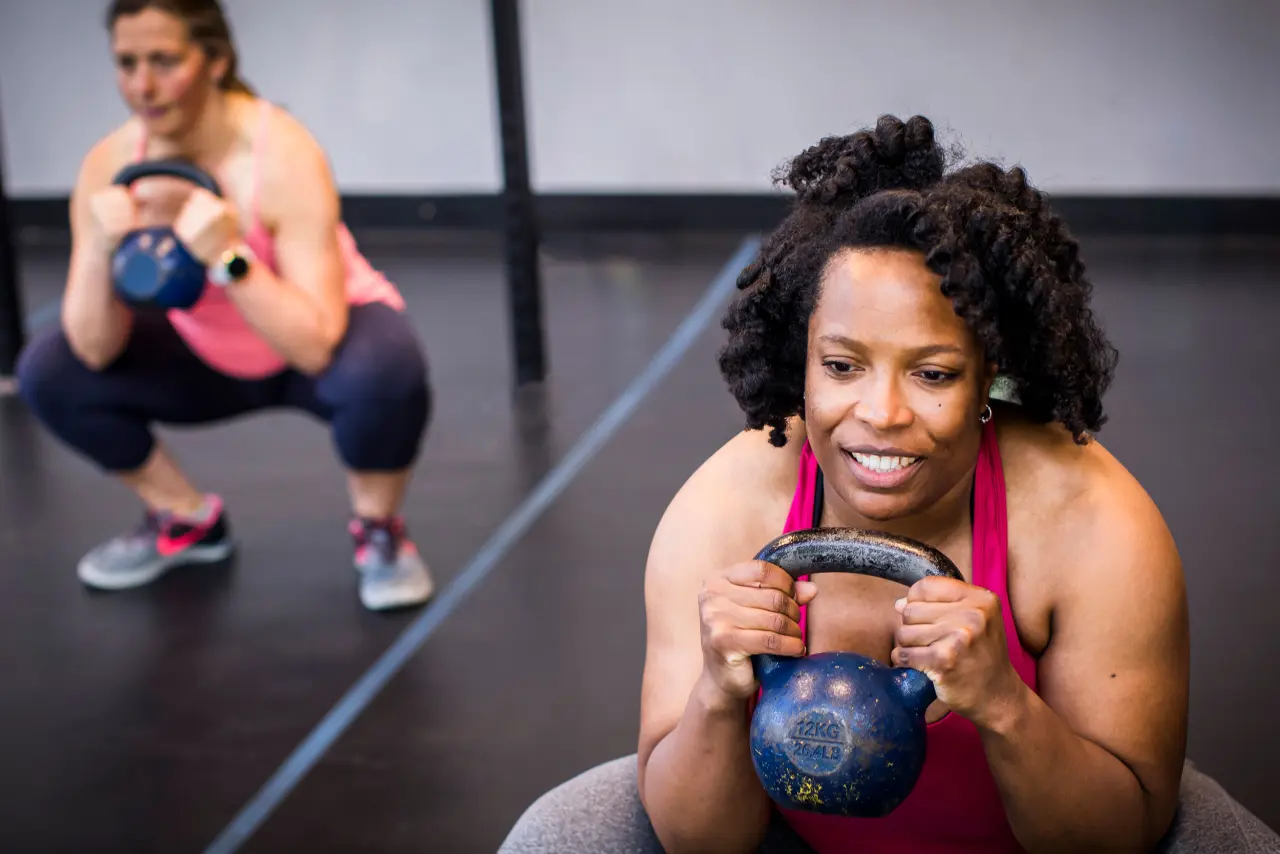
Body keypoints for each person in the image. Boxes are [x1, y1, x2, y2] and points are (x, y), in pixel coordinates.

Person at [499, 115, 1280, 853]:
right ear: (798, 363)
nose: (882, 414)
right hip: (791, 840)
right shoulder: (726, 507)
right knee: (560, 831)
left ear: (989, 380)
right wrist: (716, 691)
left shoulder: (1091, 520)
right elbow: (699, 844)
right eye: (841, 366)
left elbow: (1121, 836)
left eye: (933, 373)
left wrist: (1003, 703)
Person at [16, 0, 434, 612]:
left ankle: (379, 532)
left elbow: (316, 342)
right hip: (201, 352)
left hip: (309, 347)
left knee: (386, 371)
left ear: (215, 61)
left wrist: (230, 258)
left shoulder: (282, 156)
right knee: (48, 371)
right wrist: (98, 250)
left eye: (164, 61)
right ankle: (185, 520)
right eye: (127, 63)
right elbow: (93, 347)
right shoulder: (109, 165)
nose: (143, 85)